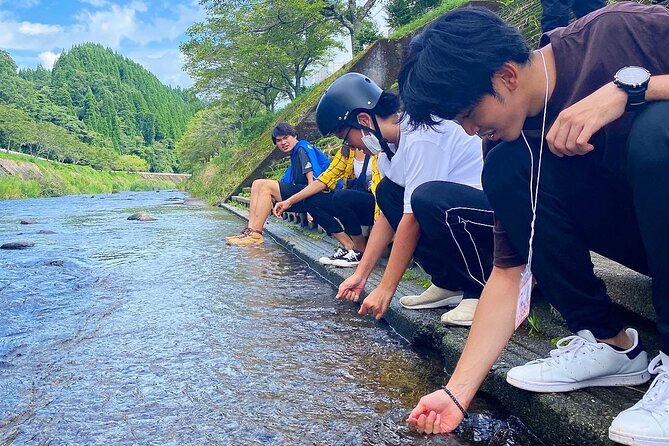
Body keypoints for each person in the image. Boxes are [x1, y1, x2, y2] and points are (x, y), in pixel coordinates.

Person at [398, 3, 669, 444]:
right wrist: (456, 392)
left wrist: (632, 91)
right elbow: (508, 272)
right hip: (650, 236)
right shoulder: (510, 139)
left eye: (468, 115)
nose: (469, 131)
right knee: (509, 169)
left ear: (506, 76)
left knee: (659, 127)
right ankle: (609, 342)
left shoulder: (621, 30)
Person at [319, 72, 493, 326]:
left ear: (364, 120)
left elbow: (412, 219)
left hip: (489, 219)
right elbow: (388, 219)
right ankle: (448, 283)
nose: (354, 147)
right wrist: (362, 275)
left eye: (348, 138)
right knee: (387, 192)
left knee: (426, 198)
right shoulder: (389, 152)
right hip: (458, 215)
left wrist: (386, 289)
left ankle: (479, 290)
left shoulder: (422, 134)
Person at [226, 122, 342, 247]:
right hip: (302, 194)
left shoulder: (302, 149)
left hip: (319, 195)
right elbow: (288, 181)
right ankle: (250, 231)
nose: (283, 142)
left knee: (264, 185)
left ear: (295, 136)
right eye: (279, 140)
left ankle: (256, 234)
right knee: (257, 184)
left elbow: (313, 179)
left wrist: (311, 207)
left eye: (286, 138)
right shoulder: (295, 153)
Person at [273, 146, 378, 267]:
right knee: (311, 200)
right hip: (356, 204)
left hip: (378, 206)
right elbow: (325, 179)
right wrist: (289, 201)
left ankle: (360, 250)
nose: (342, 138)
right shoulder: (348, 150)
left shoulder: (379, 146)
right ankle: (349, 246)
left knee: (342, 196)